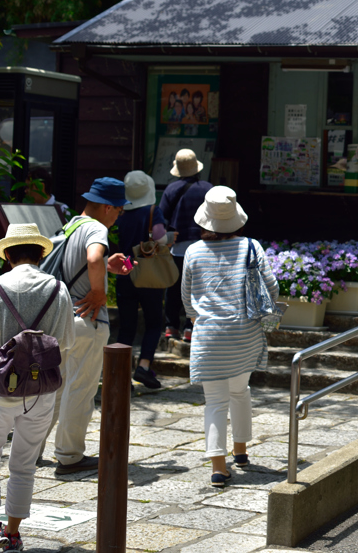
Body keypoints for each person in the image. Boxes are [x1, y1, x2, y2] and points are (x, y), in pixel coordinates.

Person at [0, 224, 75, 553]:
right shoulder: (58, 288)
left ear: (8, 255)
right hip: (42, 388)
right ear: (42, 254)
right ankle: (12, 533)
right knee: (24, 463)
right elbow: (66, 343)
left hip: (0, 386)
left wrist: (6, 343)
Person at [181, 186, 278, 487]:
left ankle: (218, 466)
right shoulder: (251, 247)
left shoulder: (193, 251)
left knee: (215, 401)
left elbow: (186, 296)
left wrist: (198, 318)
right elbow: (271, 288)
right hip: (244, 333)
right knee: (241, 390)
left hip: (209, 336)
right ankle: (241, 450)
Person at [44, 177, 132, 474]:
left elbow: (82, 263)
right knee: (80, 389)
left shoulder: (69, 225)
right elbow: (93, 257)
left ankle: (31, 450)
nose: (119, 215)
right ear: (108, 207)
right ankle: (69, 456)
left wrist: (106, 266)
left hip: (59, 319)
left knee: (53, 389)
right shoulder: (97, 228)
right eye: (119, 210)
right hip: (87, 319)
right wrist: (98, 292)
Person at [114, 171, 168, 389]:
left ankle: (119, 372)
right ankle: (144, 367)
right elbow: (159, 237)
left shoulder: (120, 214)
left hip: (125, 269)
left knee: (126, 325)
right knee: (154, 322)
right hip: (148, 272)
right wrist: (171, 238)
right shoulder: (153, 211)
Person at [160, 149, 213, 342]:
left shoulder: (171, 190)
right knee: (198, 287)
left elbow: (162, 217)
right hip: (204, 245)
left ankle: (171, 326)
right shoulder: (208, 188)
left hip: (178, 245)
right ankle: (191, 327)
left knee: (174, 286)